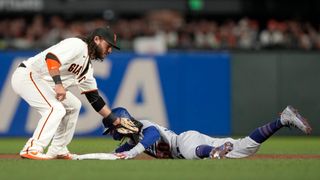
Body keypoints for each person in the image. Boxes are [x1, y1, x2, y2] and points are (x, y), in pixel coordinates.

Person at [11, 27, 140, 160]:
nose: (110, 50)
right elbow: (51, 57)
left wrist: (115, 120)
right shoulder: (77, 45)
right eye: (108, 45)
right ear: (97, 39)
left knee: (74, 106)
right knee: (55, 109)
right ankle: (32, 148)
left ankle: (58, 149)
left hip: (44, 82)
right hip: (29, 75)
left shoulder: (87, 68)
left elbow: (95, 99)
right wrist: (58, 84)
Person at [73, 105, 312, 160]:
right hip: (190, 140)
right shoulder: (133, 139)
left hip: (185, 141)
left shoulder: (145, 128)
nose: (113, 133)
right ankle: (283, 119)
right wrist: (79, 158)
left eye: (113, 128)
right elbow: (116, 154)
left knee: (192, 153)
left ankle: (214, 152)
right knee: (245, 148)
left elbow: (152, 138)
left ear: (123, 121)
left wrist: (133, 152)